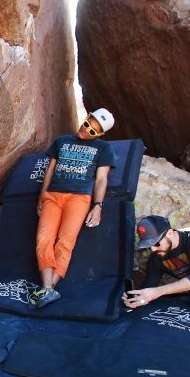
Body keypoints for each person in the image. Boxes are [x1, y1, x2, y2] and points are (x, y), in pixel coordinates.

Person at [29, 108, 117, 308]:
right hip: (53, 195)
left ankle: (48, 288)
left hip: (79, 199)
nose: (86, 131)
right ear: (86, 118)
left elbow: (101, 180)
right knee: (43, 239)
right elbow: (50, 169)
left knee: (65, 242)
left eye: (93, 131)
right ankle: (48, 289)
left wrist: (98, 206)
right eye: (87, 124)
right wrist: (42, 195)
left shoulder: (104, 148)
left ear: (100, 135)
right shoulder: (62, 141)